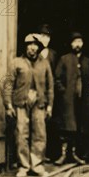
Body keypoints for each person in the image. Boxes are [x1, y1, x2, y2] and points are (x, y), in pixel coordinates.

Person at [3, 33, 54, 177]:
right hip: (21, 103)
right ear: (25, 47)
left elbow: (50, 86)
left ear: (38, 48)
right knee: (21, 134)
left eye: (34, 45)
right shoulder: (16, 62)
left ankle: (37, 165)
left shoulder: (44, 63)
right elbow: (8, 84)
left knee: (40, 134)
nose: (32, 48)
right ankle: (24, 166)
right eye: (29, 45)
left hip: (39, 104)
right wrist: (8, 105)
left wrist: (50, 105)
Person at [53, 31, 89, 165]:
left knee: (79, 127)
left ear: (83, 43)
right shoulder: (65, 59)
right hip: (68, 101)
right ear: (71, 44)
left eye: (79, 42)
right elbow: (57, 78)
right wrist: (63, 92)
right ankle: (63, 155)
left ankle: (75, 154)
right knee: (66, 127)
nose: (77, 44)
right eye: (75, 42)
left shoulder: (87, 61)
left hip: (83, 101)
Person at [37, 23, 60, 162]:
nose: (45, 39)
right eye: (42, 36)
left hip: (49, 92)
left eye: (47, 37)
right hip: (37, 91)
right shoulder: (33, 52)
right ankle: (36, 155)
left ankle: (48, 154)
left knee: (49, 123)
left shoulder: (54, 54)